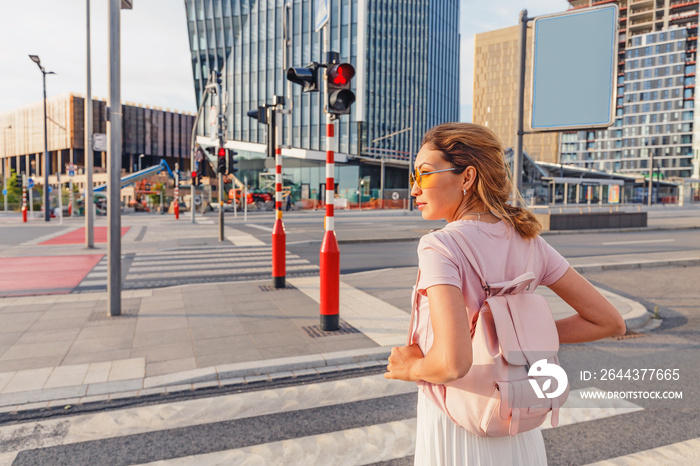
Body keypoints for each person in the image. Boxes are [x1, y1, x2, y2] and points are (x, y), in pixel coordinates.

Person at [384, 123, 626, 465]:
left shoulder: (441, 245)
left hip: (459, 425)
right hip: (518, 423)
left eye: (423, 175)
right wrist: (515, 338)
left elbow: (452, 364)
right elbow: (610, 321)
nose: (414, 188)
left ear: (467, 177)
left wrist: (409, 368)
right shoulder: (530, 241)